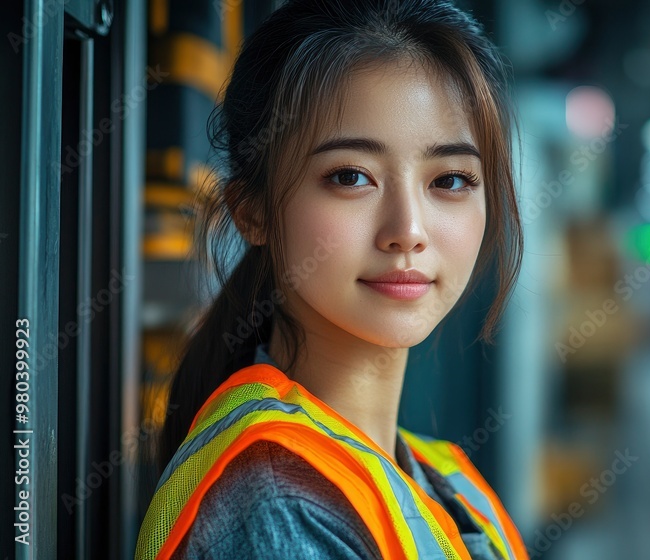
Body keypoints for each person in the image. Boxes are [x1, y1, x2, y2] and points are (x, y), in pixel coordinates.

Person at [135, 0, 526, 558]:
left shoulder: (443, 480)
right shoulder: (279, 501)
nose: (407, 231)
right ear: (254, 210)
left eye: (451, 179)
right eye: (351, 176)